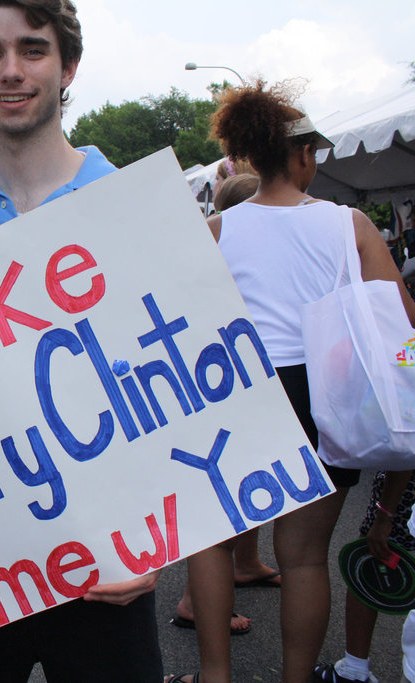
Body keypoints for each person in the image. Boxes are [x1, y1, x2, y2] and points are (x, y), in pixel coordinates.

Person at [0, 1, 162, 680]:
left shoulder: (127, 200)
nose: (11, 70)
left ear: (67, 65)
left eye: (32, 49)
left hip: (108, 555)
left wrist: (165, 541)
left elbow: (179, 380)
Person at [167, 81, 415, 683]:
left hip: (238, 391)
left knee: (215, 540)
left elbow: (184, 322)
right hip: (323, 396)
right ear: (302, 155)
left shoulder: (218, 229)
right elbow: (402, 322)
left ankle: (216, 675)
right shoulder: (346, 223)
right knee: (304, 559)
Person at [170, 172, 274, 640]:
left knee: (234, 491)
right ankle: (197, 601)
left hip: (216, 375)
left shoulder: (212, 239)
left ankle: (241, 567)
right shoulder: (223, 240)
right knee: (220, 499)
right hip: (224, 380)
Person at [311, 470, 414, 683]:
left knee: (372, 555)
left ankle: (354, 669)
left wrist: (384, 515)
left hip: (406, 481)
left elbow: (405, 450)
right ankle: (354, 668)